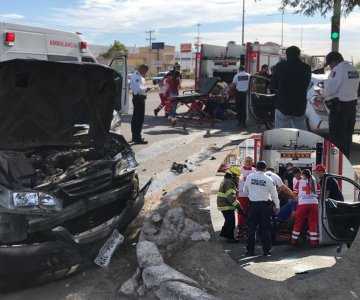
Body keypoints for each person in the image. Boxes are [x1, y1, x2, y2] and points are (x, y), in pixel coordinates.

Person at [323, 51, 360, 159]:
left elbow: (329, 90)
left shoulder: (338, 70)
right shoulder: (354, 69)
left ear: (335, 61)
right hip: (351, 107)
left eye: (330, 64)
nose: (330, 66)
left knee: (337, 138)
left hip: (339, 108)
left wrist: (324, 91)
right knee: (347, 137)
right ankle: (346, 161)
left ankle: (339, 164)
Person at [243, 161, 280, 256]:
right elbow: (274, 195)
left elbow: (245, 190)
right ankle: (266, 250)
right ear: (265, 169)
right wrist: (277, 206)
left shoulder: (249, 177)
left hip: (253, 206)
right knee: (265, 229)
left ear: (256, 168)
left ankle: (250, 251)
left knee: (251, 229)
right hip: (265, 206)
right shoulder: (268, 179)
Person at [270, 46, 311, 129]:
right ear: (299, 55)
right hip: (300, 107)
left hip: (283, 106)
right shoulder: (306, 67)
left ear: (286, 55)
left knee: (281, 134)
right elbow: (307, 84)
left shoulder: (280, 66)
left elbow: (273, 84)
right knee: (301, 134)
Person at [291, 169, 321, 247]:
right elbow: (319, 195)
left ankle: (294, 241)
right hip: (314, 204)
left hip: (303, 204)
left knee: (298, 222)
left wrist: (297, 201)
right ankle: (313, 242)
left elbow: (294, 194)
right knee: (313, 223)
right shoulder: (315, 182)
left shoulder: (299, 182)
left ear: (303, 175)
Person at [217, 166, 244, 243]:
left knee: (228, 220)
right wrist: (238, 206)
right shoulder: (230, 182)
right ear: (234, 175)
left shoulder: (227, 180)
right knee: (231, 221)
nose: (238, 179)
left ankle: (224, 233)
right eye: (238, 177)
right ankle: (230, 238)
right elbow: (231, 197)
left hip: (223, 203)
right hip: (226, 204)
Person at [236, 156, 256, 238]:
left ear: (252, 162)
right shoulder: (240, 170)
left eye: (250, 161)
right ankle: (240, 230)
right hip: (242, 195)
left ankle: (248, 230)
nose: (248, 162)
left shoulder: (254, 171)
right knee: (241, 213)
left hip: (252, 196)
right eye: (247, 161)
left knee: (250, 213)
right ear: (244, 161)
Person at [130, 64, 149, 144]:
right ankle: (137, 137)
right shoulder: (136, 76)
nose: (145, 73)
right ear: (142, 69)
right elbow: (138, 89)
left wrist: (144, 89)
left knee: (136, 118)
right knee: (139, 119)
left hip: (138, 98)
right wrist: (146, 88)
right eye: (145, 71)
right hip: (139, 98)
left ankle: (135, 136)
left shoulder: (137, 75)